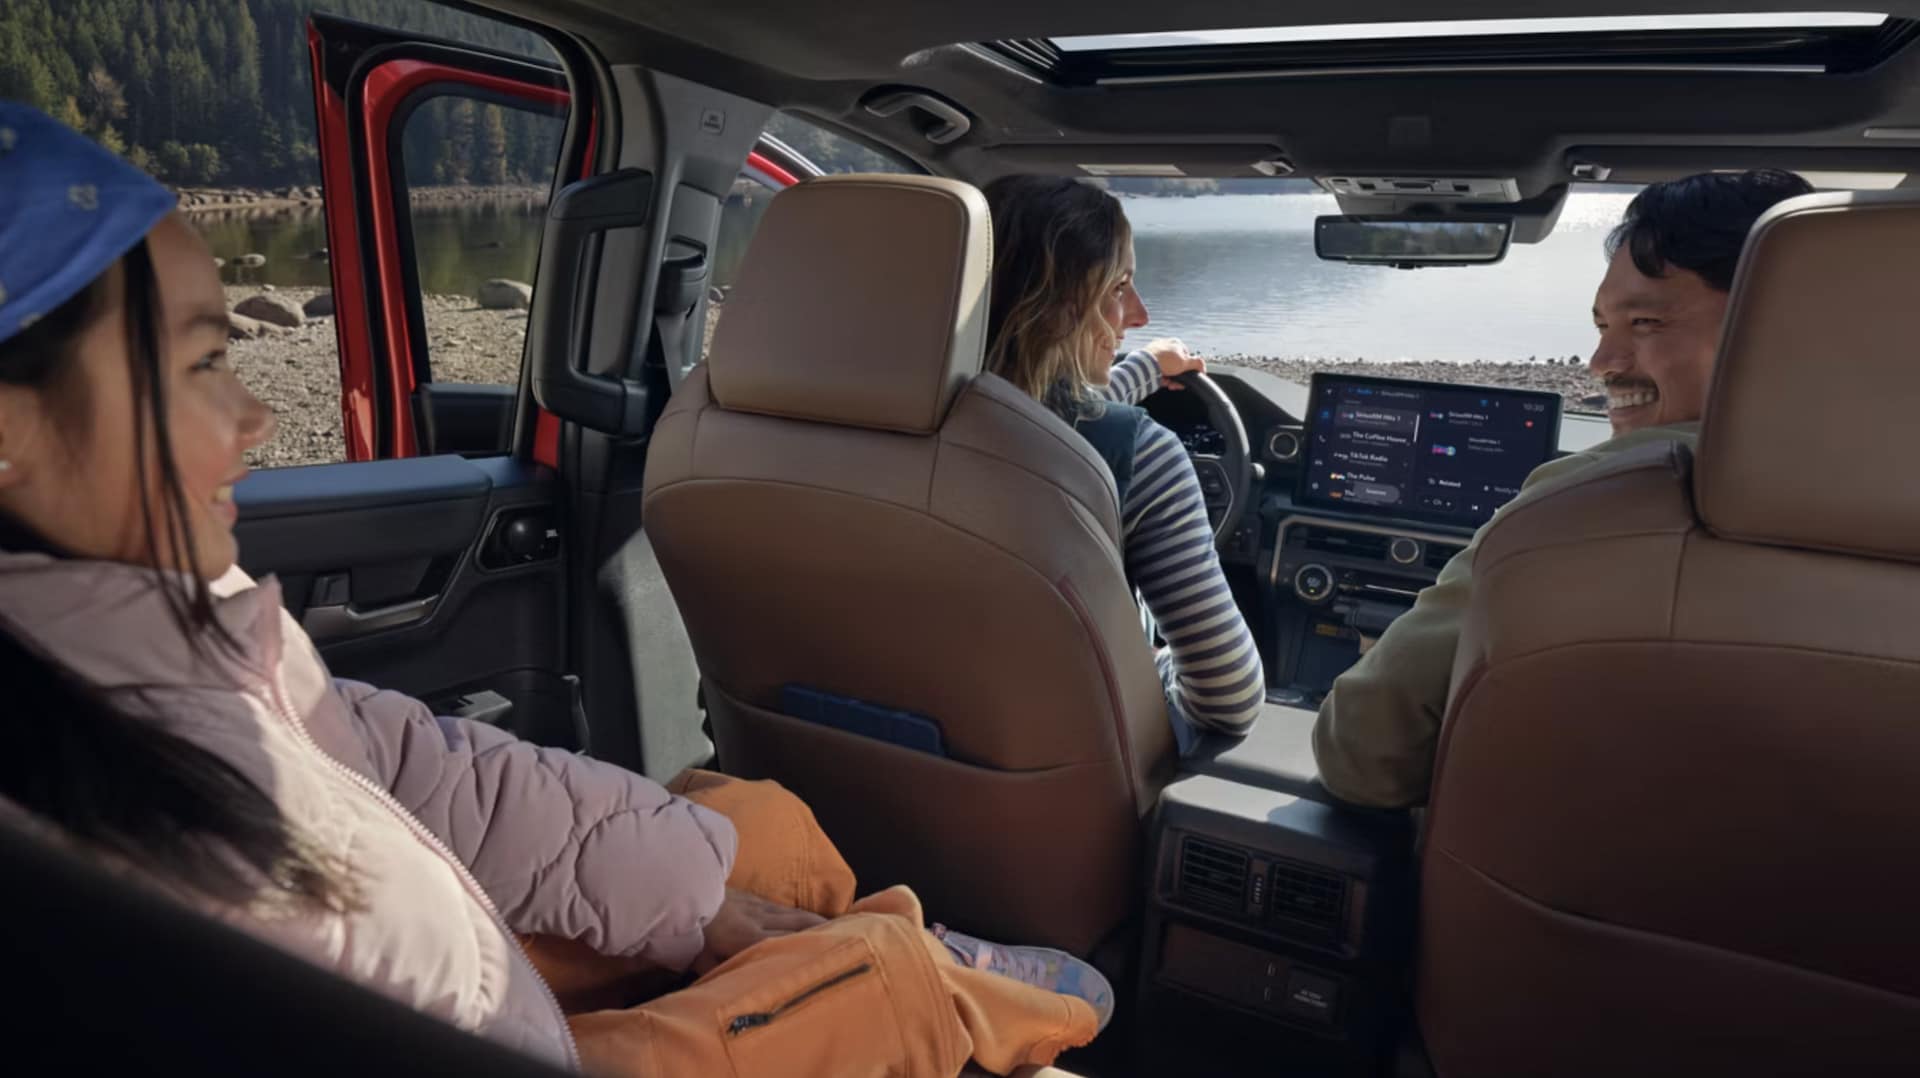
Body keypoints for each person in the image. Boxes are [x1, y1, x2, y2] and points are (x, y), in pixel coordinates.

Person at [0, 101, 1107, 1077]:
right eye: (203, 362)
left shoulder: (160, 618)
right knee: (871, 988)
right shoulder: (80, 843)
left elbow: (400, 761)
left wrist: (699, 898)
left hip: (443, 959)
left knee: (749, 827)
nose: (253, 418)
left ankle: (896, 950)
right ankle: (933, 982)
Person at [1310, 168, 1816, 809]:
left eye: (1646, 322)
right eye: (1602, 326)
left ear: (1777, 322)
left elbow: (1363, 753)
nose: (1601, 363)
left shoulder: (1589, 501)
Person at [981, 175, 1266, 753]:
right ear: (1054, 309)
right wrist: (1150, 666)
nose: (1139, 314)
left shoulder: (871, 424)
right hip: (1070, 764)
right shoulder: (1145, 457)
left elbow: (1039, 406)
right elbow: (1230, 697)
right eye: (1119, 288)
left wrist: (1144, 367)